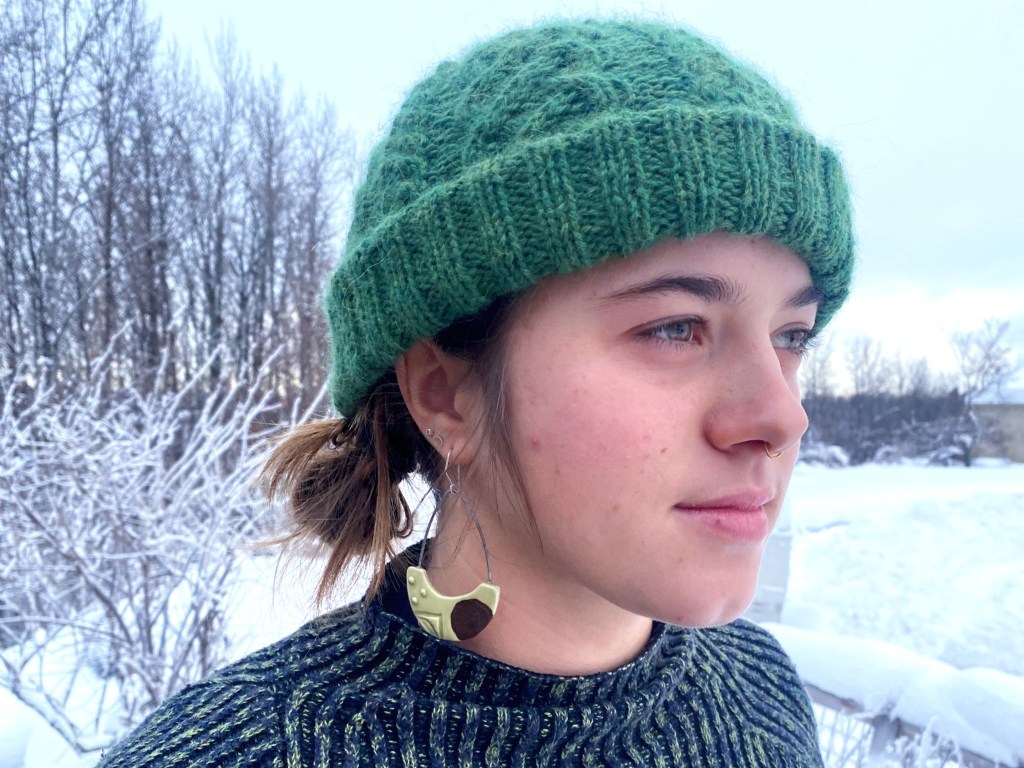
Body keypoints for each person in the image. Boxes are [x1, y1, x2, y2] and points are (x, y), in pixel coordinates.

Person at [99, 17, 853, 767]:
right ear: (444, 395)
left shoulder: (761, 691)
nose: (782, 417)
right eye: (676, 328)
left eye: (792, 336)